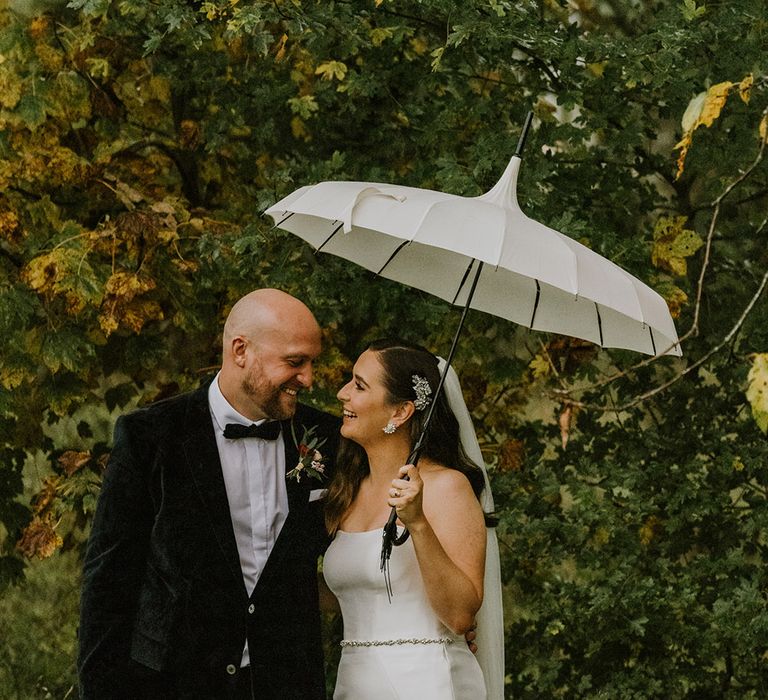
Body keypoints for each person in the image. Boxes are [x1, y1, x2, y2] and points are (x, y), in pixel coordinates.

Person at [77, 288, 341, 699]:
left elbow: (371, 542)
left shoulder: (326, 439)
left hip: (286, 682)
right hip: (173, 683)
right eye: (295, 362)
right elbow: (109, 581)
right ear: (241, 350)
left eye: (311, 362)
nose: (308, 378)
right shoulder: (151, 436)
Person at [322, 339, 505, 699]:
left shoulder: (446, 488)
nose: (343, 393)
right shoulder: (347, 490)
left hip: (427, 681)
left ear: (400, 412)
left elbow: (459, 616)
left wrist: (418, 523)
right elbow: (356, 587)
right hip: (355, 684)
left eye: (359, 385)